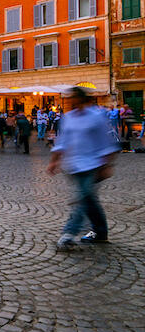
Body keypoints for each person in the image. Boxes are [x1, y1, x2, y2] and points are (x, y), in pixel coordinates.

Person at [48, 88, 120, 251]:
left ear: (82, 100)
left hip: (93, 164)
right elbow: (62, 141)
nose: (72, 103)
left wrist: (107, 165)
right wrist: (54, 161)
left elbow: (107, 141)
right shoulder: (68, 118)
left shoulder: (97, 116)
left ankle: (68, 234)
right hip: (74, 165)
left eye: (74, 100)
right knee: (89, 200)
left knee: (82, 199)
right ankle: (101, 232)